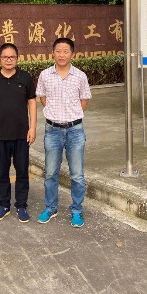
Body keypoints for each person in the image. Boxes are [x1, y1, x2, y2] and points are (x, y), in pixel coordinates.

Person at [35, 38, 92, 228]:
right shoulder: (45, 75)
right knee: (51, 172)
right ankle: (51, 208)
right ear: (53, 53)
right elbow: (43, 97)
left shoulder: (80, 76)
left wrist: (71, 116)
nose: (62, 55)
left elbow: (84, 100)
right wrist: (55, 114)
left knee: (77, 174)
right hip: (52, 130)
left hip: (75, 130)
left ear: (72, 54)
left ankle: (76, 210)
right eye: (58, 51)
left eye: (66, 51)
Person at [0, 43, 37, 223]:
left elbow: (32, 103)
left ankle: (21, 206)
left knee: (22, 171)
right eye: (5, 57)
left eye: (12, 57)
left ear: (17, 59)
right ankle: (4, 205)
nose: (8, 60)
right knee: (2, 172)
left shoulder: (25, 77)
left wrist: (33, 127)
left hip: (21, 134)